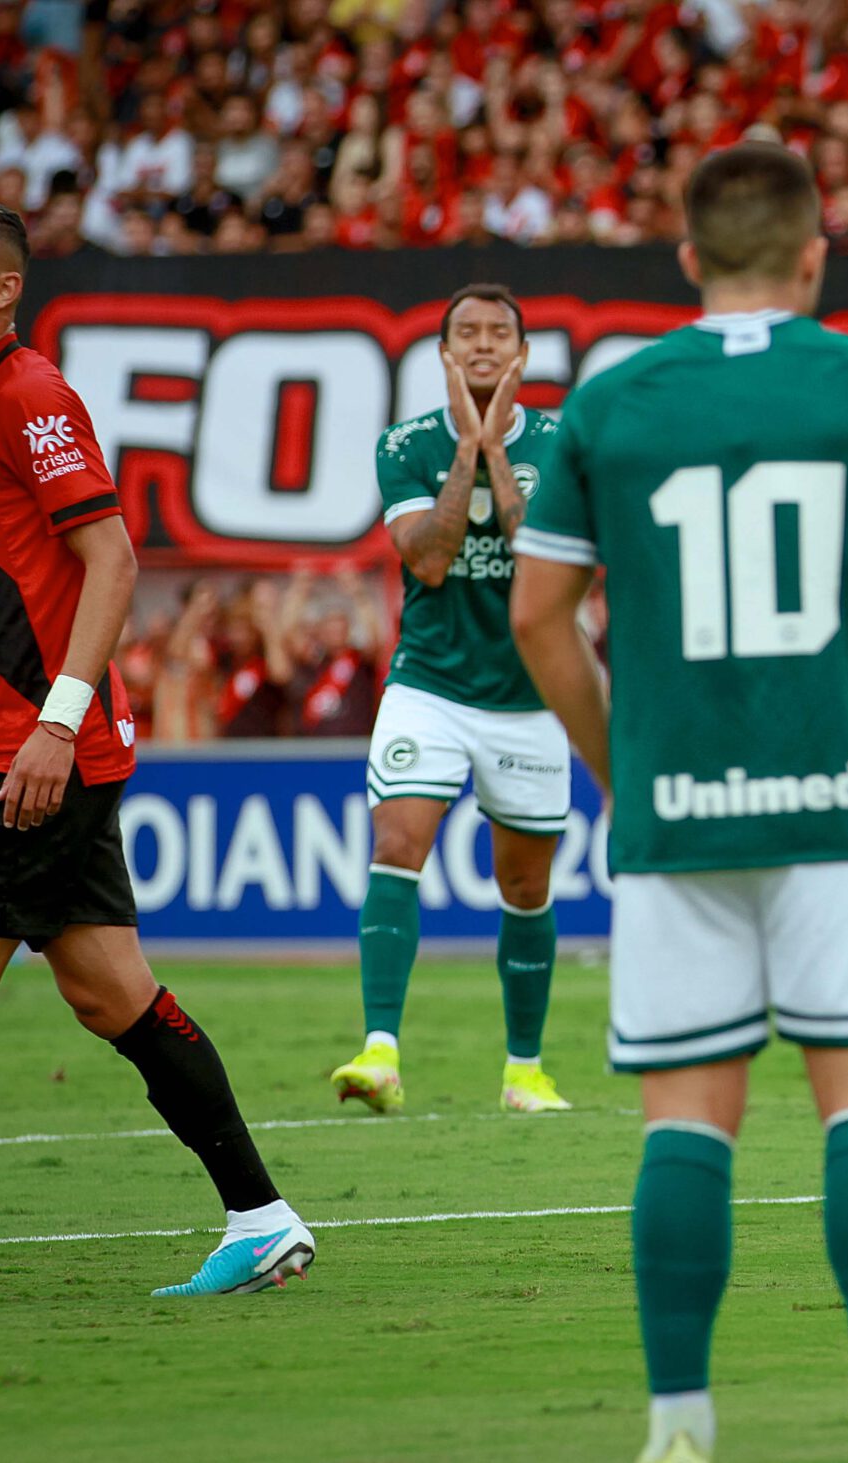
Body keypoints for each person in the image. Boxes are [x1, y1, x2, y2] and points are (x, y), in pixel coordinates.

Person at [510, 141, 848, 1463]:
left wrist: (619, 766)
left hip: (677, 814)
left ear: (687, 260)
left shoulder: (614, 397)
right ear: (817, 255)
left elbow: (539, 614)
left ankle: (677, 1425)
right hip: (843, 799)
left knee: (685, 1122)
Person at [0, 197, 314, 1294]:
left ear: (4, 289)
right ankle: (261, 1213)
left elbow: (115, 559)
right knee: (110, 993)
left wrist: (58, 715)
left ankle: (261, 1209)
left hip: (35, 755)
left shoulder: (31, 396)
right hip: (17, 747)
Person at [329, 283, 574, 1117]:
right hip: (428, 683)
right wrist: (465, 448)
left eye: (498, 333)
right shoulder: (403, 443)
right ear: (440, 354)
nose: (481, 346)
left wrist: (493, 448)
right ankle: (380, 1052)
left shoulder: (560, 439)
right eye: (464, 334)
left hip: (530, 694)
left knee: (525, 884)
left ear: (522, 356)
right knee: (398, 839)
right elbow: (428, 561)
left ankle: (524, 1070)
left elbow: (539, 559)